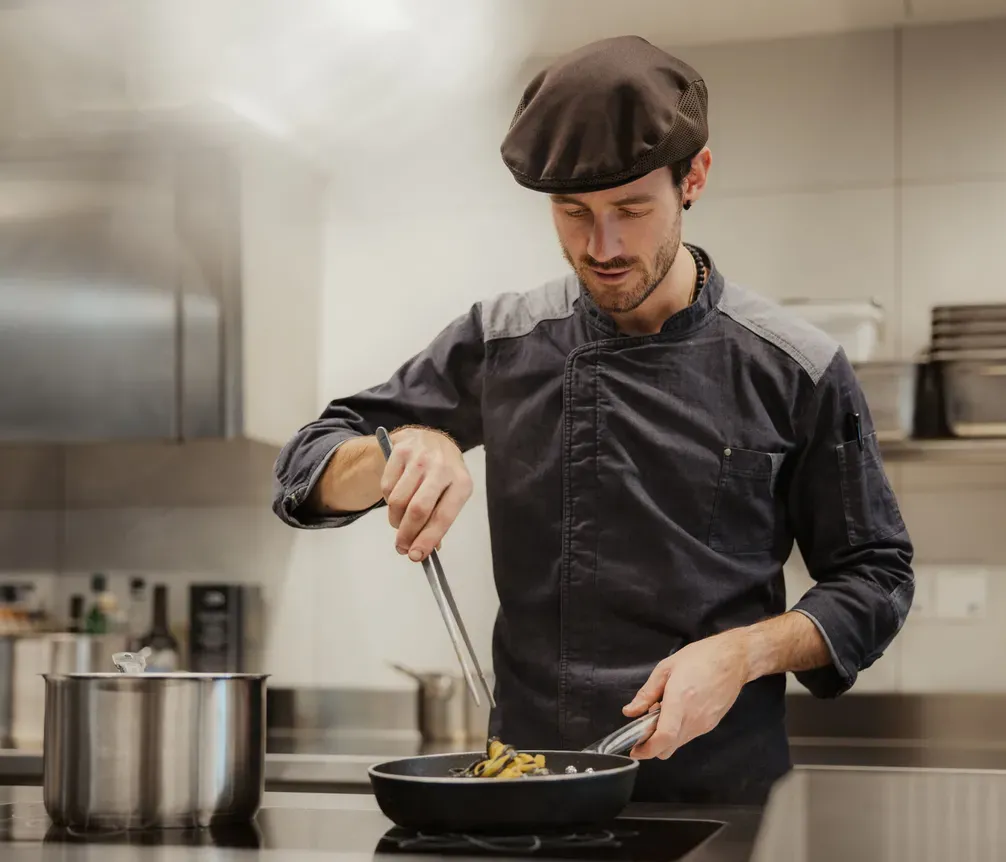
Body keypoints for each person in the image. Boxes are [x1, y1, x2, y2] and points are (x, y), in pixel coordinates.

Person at [272, 35, 914, 805]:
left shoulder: (795, 367)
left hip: (718, 802)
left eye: (631, 210)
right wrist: (406, 447)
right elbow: (307, 463)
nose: (601, 247)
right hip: (524, 799)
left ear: (694, 179)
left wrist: (744, 654)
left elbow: (875, 579)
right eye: (573, 213)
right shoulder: (503, 343)